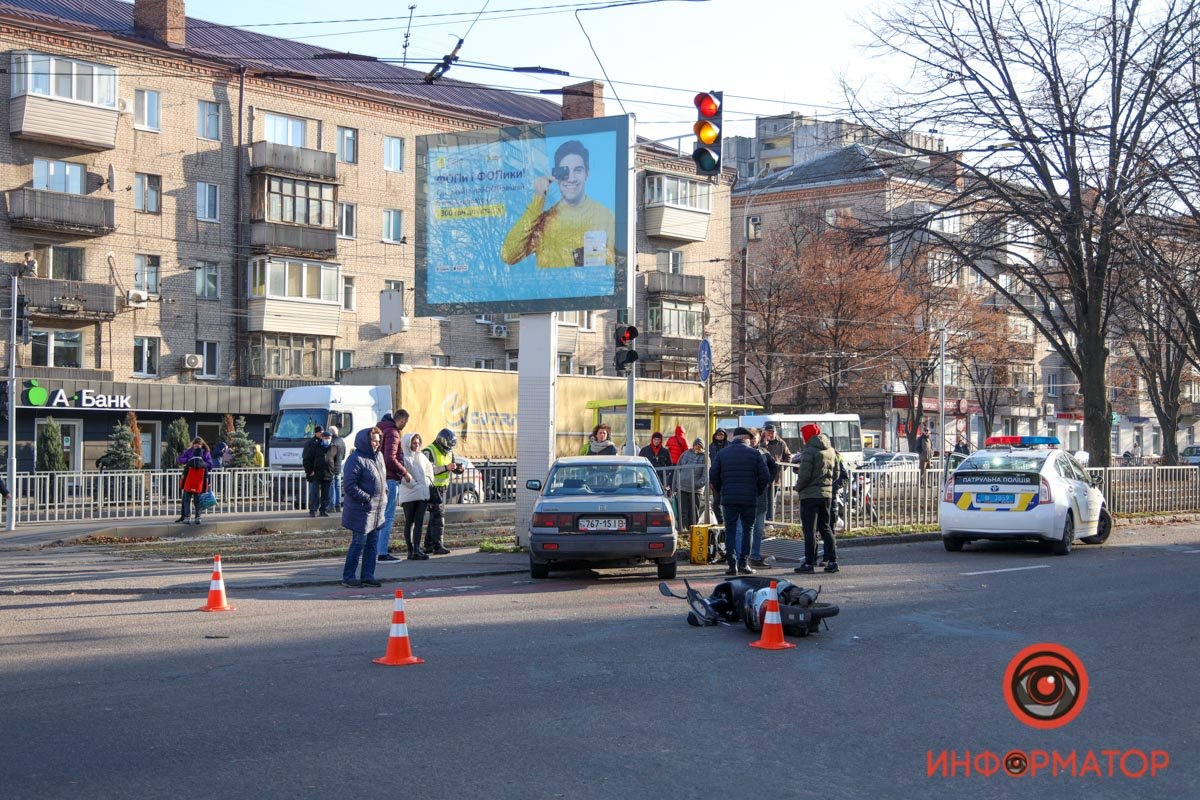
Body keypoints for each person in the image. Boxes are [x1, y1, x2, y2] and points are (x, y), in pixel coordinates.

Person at [500, 139, 616, 268]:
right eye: (565, 171)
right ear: (556, 176)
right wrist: (537, 200)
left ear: (587, 174)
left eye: (578, 170)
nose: (571, 178)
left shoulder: (606, 217)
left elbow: (615, 267)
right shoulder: (543, 221)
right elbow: (508, 255)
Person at [709, 426, 769, 577]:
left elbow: (713, 475)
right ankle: (744, 563)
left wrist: (722, 490)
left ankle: (732, 565)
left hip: (729, 499)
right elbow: (765, 477)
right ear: (746, 439)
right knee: (748, 531)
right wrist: (756, 491)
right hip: (749, 499)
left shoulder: (722, 453)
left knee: (730, 530)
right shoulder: (755, 454)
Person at [340, 427, 387, 588]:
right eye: (374, 440)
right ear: (366, 441)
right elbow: (349, 485)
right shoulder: (355, 459)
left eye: (379, 440)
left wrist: (385, 493)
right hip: (362, 510)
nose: (377, 443)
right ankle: (348, 577)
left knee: (372, 545)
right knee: (359, 543)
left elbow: (382, 479)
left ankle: (368, 575)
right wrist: (366, 498)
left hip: (377, 511)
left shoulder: (379, 457)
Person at [792, 423, 838, 574]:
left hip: (810, 495)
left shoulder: (809, 451)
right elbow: (836, 474)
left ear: (807, 436)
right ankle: (832, 561)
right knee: (826, 527)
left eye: (803, 435)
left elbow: (804, 475)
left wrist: (798, 487)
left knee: (810, 530)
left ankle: (809, 563)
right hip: (826, 495)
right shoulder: (831, 450)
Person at [422, 428, 464, 555]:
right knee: (439, 517)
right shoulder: (429, 450)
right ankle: (438, 546)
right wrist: (446, 467)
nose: (449, 448)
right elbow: (428, 470)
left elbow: (452, 466)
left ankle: (428, 545)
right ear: (441, 441)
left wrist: (458, 469)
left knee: (434, 517)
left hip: (442, 487)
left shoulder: (449, 451)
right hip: (432, 486)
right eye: (447, 445)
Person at [376, 410, 411, 562]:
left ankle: (376, 549)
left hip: (380, 477)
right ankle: (382, 552)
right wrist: (404, 472)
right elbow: (390, 458)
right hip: (390, 478)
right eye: (405, 422)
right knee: (388, 516)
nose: (405, 425)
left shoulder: (380, 428)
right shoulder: (393, 432)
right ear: (402, 420)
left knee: (378, 515)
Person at [398, 432, 434, 560]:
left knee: (419, 522)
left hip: (422, 494)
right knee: (409, 522)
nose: (416, 445)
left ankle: (417, 549)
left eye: (418, 443)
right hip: (409, 495)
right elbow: (401, 476)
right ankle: (410, 550)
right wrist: (415, 485)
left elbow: (430, 471)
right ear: (408, 443)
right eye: (414, 443)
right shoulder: (403, 457)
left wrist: (427, 482)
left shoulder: (422, 457)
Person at [749, 428, 779, 568]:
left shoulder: (764, 452)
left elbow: (774, 467)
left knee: (758, 529)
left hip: (760, 497)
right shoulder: (740, 452)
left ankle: (754, 556)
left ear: (758, 438)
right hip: (745, 497)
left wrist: (768, 481)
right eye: (750, 438)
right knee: (744, 529)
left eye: (754, 438)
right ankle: (743, 556)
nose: (752, 440)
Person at [301, 427, 336, 518]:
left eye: (329, 438)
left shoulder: (334, 447)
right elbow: (307, 460)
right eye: (325, 438)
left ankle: (323, 510)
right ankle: (313, 510)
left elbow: (335, 460)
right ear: (322, 438)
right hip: (316, 474)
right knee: (314, 493)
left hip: (328, 474)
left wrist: (333, 471)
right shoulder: (314, 446)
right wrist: (310, 471)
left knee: (326, 494)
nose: (327, 440)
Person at [760, 421, 791, 521]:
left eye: (773, 432)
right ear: (764, 432)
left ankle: (769, 520)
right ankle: (761, 520)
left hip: (776, 477)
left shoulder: (781, 442)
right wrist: (764, 444)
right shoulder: (760, 441)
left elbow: (788, 456)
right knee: (762, 500)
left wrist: (781, 468)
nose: (771, 434)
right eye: (769, 432)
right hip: (762, 476)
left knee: (771, 500)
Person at [674, 438, 707, 532]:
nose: (697, 447)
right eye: (696, 445)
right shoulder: (685, 454)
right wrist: (675, 484)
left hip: (696, 490)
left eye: (699, 446)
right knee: (683, 511)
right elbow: (677, 469)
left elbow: (706, 475)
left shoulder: (705, 457)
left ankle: (693, 531)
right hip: (682, 487)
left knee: (694, 512)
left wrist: (697, 484)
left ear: (702, 447)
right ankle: (683, 531)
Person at [175, 454, 210, 525]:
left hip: (188, 485)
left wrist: (182, 485)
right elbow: (206, 478)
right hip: (198, 486)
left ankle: (187, 518)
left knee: (187, 501)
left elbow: (183, 475)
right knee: (198, 502)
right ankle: (198, 518)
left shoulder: (189, 463)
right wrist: (205, 488)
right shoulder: (204, 465)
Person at [709, 428, 729, 525]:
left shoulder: (729, 445)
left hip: (726, 477)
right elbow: (709, 464)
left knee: (726, 501)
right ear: (715, 436)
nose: (720, 436)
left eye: (722, 434)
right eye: (718, 434)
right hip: (715, 477)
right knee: (716, 502)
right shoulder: (711, 447)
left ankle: (727, 521)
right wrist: (710, 480)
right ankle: (720, 521)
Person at [326, 425, 346, 512]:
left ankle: (332, 505)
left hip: (332, 468)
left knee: (332, 487)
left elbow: (329, 457)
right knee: (338, 487)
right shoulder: (342, 441)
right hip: (339, 467)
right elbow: (343, 455)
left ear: (331, 433)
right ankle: (338, 506)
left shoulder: (333, 442)